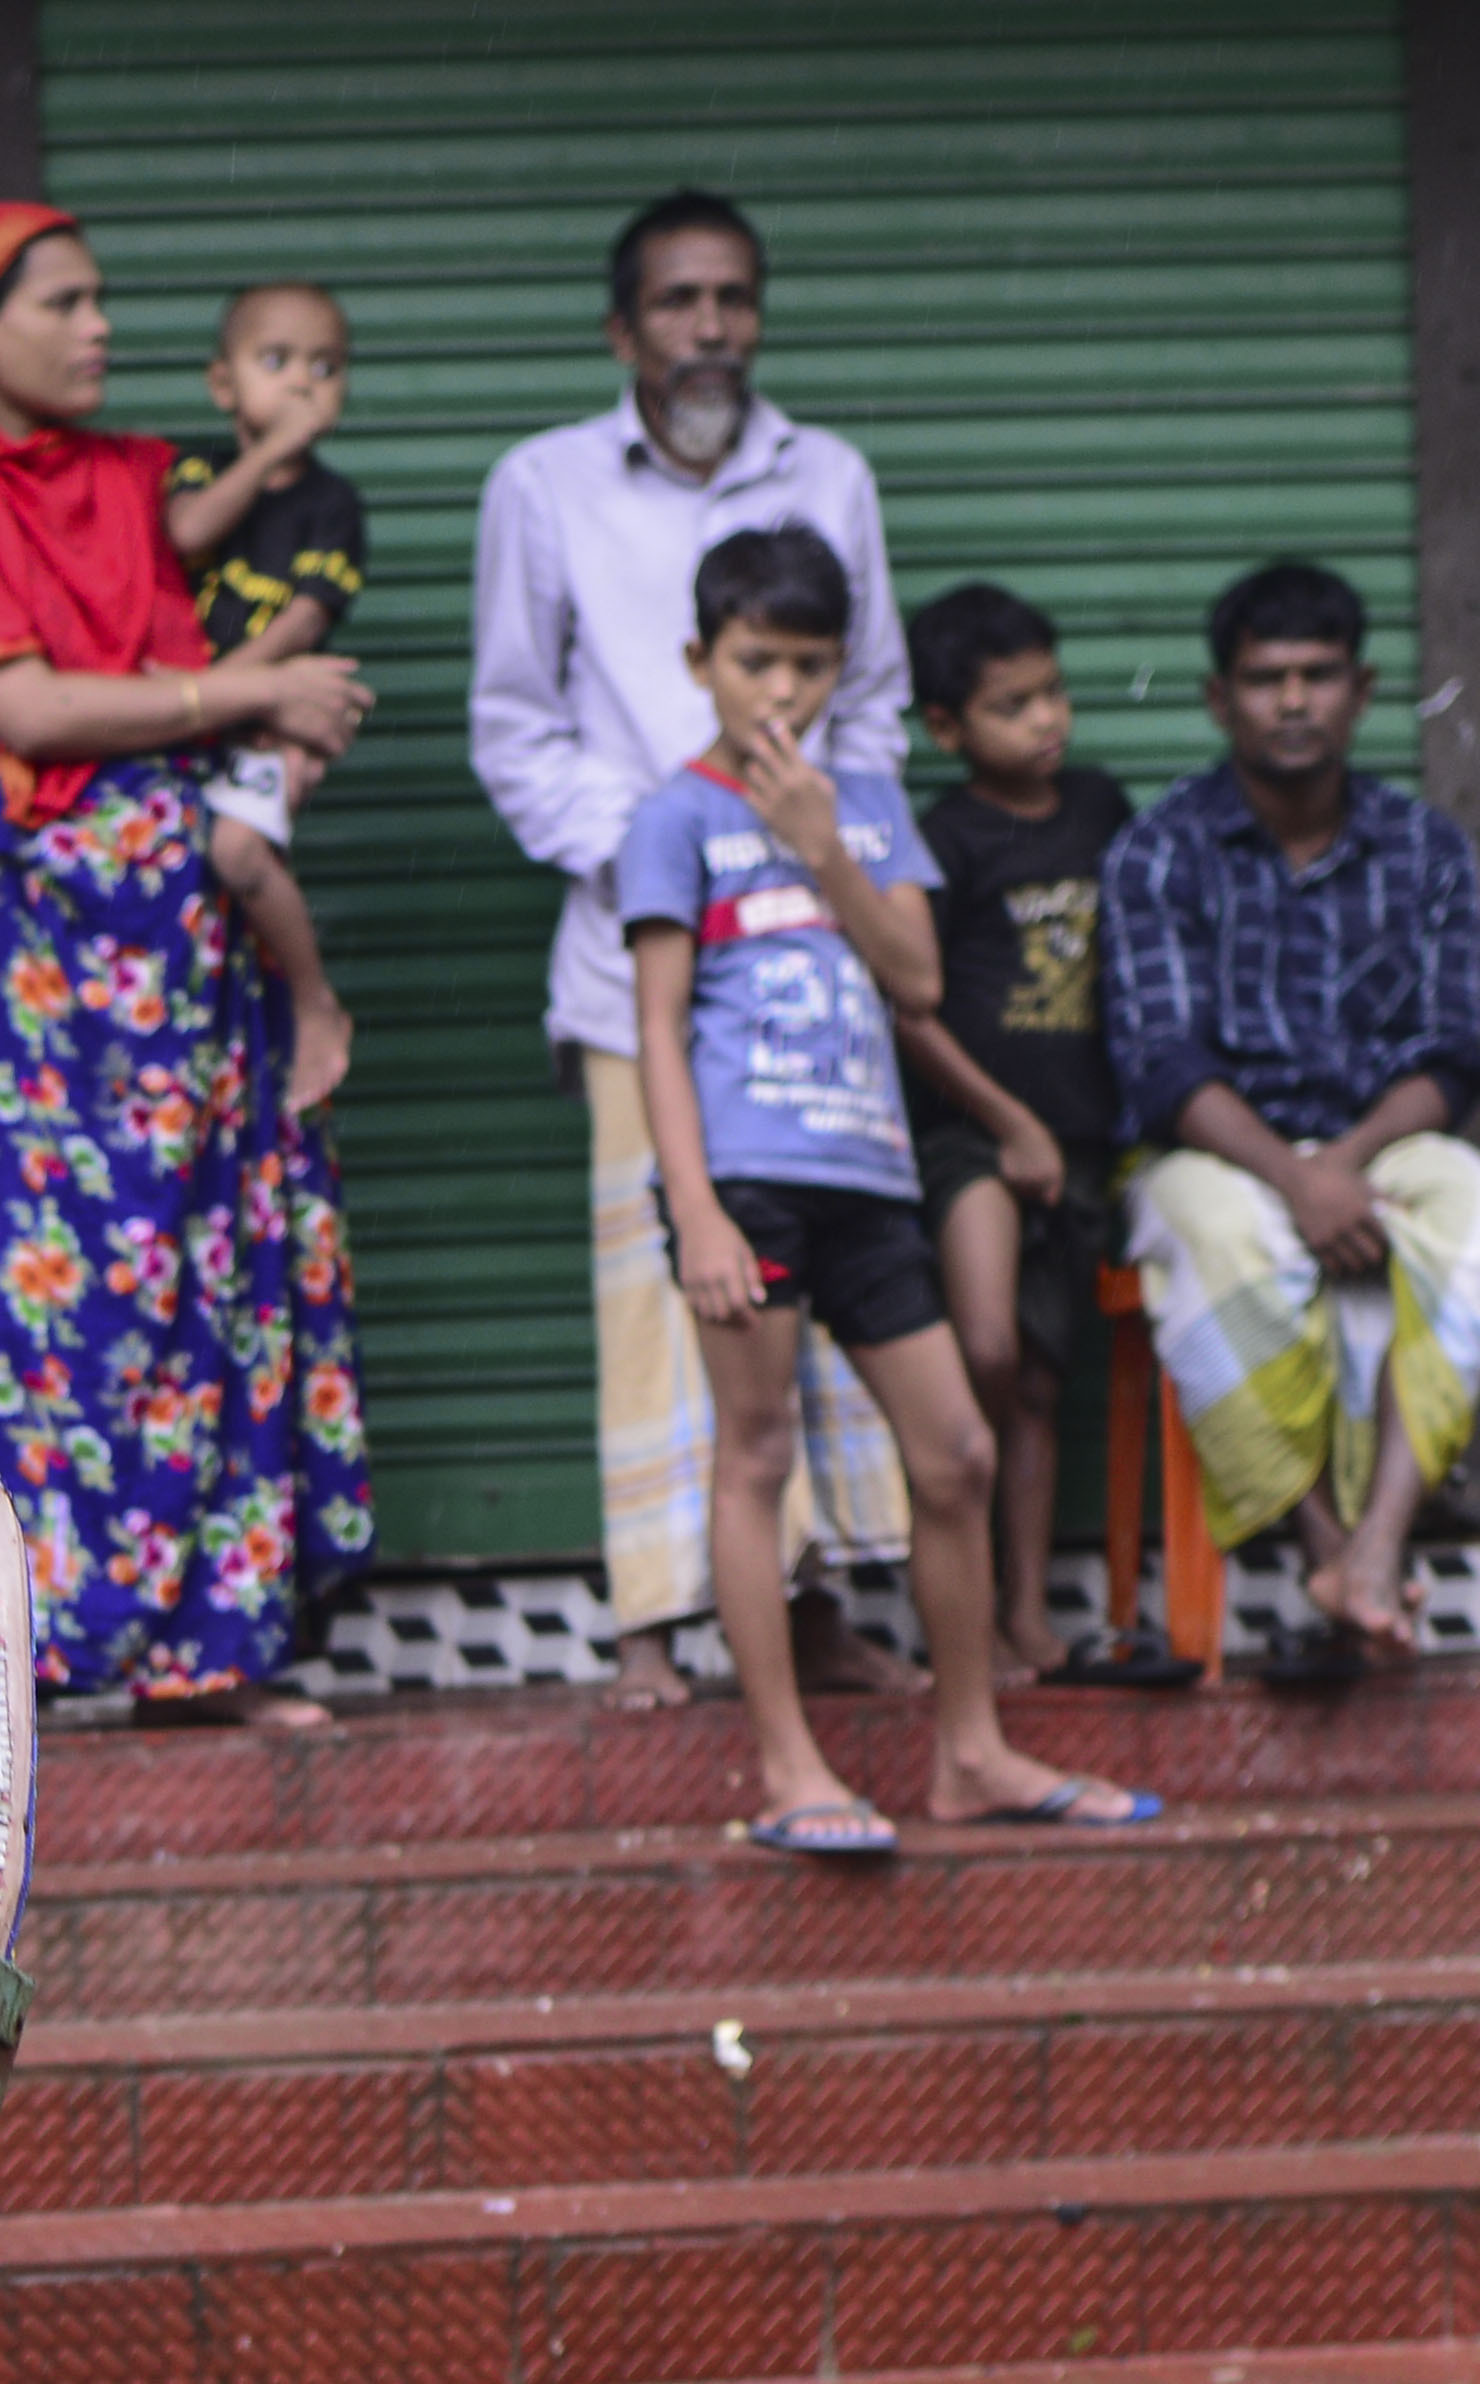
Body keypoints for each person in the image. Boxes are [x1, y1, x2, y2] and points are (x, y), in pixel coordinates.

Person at [0, 205, 383, 1721]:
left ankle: (211, 1648)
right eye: (63, 304)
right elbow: (32, 718)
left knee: (226, 1267)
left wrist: (268, 697)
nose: (97, 329)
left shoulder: (142, 477)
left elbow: (250, 580)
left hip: (204, 945)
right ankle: (33, 1641)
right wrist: (251, 686)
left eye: (99, 302)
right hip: (74, 970)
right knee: (54, 1291)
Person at [618, 530, 1157, 1859]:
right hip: (745, 1179)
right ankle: (788, 1762)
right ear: (700, 663)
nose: (779, 693)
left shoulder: (860, 801)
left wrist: (823, 848)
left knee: (957, 1452)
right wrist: (692, 1208)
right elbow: (656, 1027)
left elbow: (915, 981)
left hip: (868, 1175)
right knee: (756, 1455)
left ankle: (968, 1750)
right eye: (753, 663)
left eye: (806, 665)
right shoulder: (672, 814)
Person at [469, 192, 918, 1708]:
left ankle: (809, 1610)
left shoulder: (831, 476)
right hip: (636, 961)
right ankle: (655, 1624)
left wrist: (804, 849)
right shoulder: (540, 486)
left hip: (807, 970)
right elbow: (515, 727)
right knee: (669, 1296)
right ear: (622, 329)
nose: (708, 327)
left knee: (822, 1298)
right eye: (676, 301)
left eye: (731, 297)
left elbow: (873, 712)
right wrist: (670, 848)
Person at [1107, 558, 1480, 1676]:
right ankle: (1326, 1550)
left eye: (1318, 675)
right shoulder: (1159, 852)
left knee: (1477, 1201)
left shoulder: (1424, 847)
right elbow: (1160, 1063)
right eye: (1264, 678)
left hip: (1375, 1145)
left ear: (1364, 687)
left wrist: (1340, 1164)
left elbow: (1453, 1053)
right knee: (1216, 1229)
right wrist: (1296, 1183)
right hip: (1214, 1150)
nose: (1293, 701)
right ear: (1217, 698)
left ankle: (1380, 1544)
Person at [894, 583, 1132, 1688]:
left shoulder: (1099, 808)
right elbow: (914, 1007)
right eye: (1012, 706)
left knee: (1041, 1378)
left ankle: (1025, 1613)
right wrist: (1008, 1121)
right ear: (947, 728)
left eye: (1054, 694)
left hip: (1079, 1142)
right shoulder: (942, 837)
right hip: (972, 1139)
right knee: (983, 1348)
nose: (1047, 721)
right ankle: (960, 1597)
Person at [169, 277, 367, 1119]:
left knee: (243, 853)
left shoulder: (334, 504)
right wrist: (259, 458)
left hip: (273, 722)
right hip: (210, 711)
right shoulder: (197, 471)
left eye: (323, 369)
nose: (300, 385)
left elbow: (307, 619)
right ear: (224, 385)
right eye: (276, 361)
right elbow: (182, 539)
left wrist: (221, 692)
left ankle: (317, 1002)